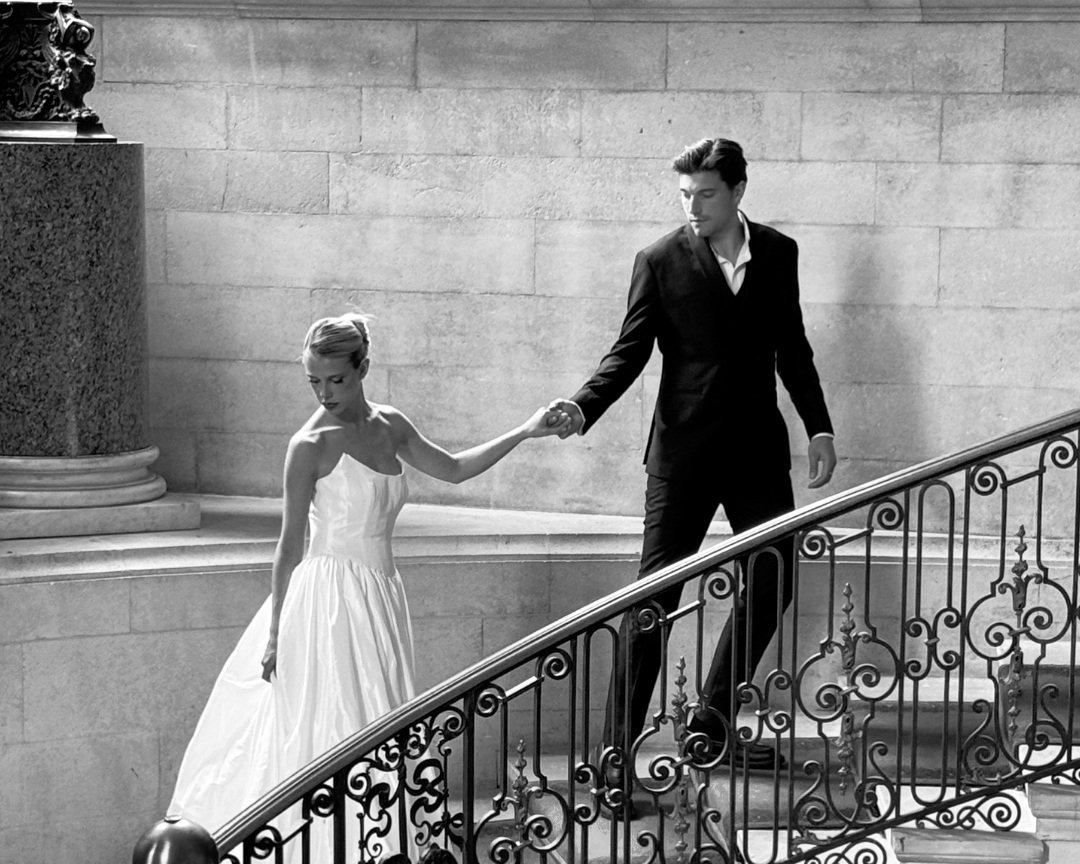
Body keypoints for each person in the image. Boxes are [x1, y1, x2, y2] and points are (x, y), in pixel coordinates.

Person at [169, 313, 562, 859]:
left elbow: (453, 469)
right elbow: (288, 546)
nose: (324, 393)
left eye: (336, 379)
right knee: (332, 723)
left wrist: (525, 430)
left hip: (380, 595)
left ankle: (383, 845)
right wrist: (276, 632)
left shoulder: (390, 425)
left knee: (382, 719)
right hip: (327, 601)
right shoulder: (308, 445)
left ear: (364, 368)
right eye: (314, 381)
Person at [547, 138, 837, 812]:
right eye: (685, 195)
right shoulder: (658, 260)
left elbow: (791, 347)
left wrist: (818, 426)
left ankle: (709, 724)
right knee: (653, 601)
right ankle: (614, 761)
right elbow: (628, 352)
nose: (693, 207)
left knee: (773, 581)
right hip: (682, 457)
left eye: (705, 194)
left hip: (757, 453)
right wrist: (583, 406)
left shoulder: (779, 252)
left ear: (737, 191)